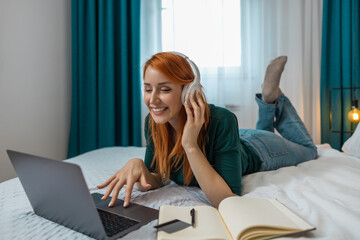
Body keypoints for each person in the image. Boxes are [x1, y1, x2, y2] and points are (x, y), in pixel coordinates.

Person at [97, 52, 318, 208]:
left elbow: (227, 199)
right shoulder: (154, 123)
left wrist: (190, 145)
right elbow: (156, 179)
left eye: (164, 89)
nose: (153, 100)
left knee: (310, 150)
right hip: (234, 141)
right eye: (147, 89)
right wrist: (139, 166)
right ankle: (268, 104)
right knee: (261, 131)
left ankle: (272, 99)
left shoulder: (222, 119)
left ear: (187, 91)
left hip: (261, 149)